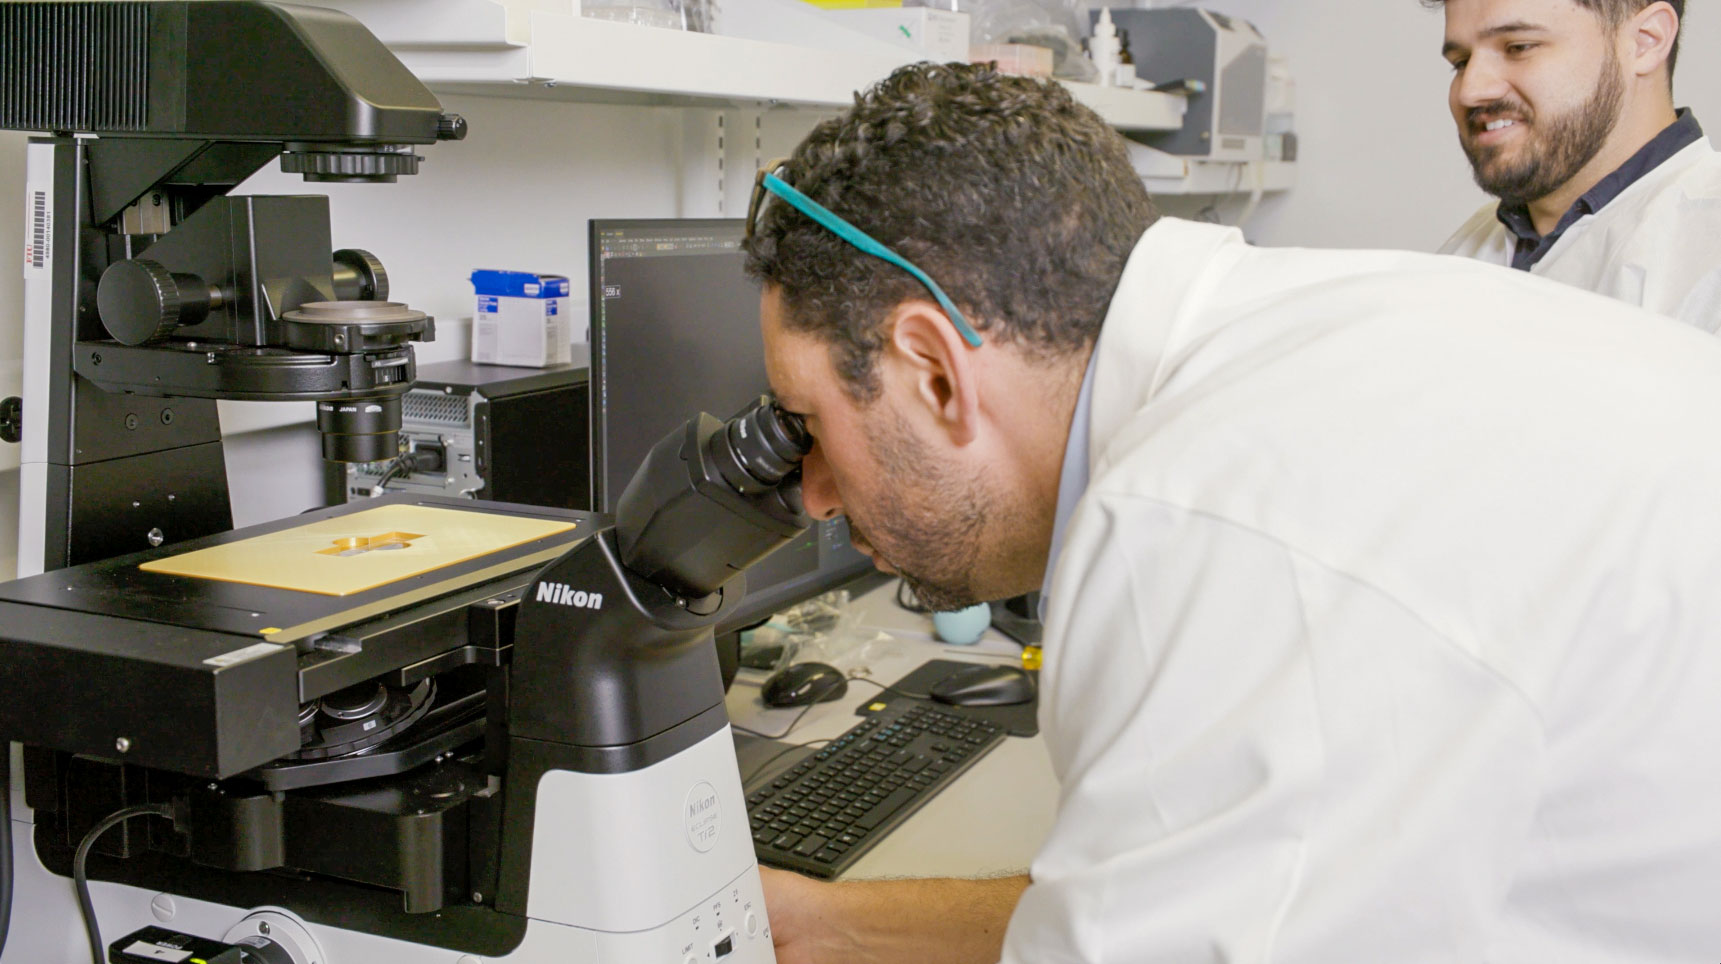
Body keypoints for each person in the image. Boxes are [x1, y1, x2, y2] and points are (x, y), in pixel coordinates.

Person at [742, 61, 1721, 963]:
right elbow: (1188, 908)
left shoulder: (1190, 516)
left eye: (810, 422)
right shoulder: (1298, 333)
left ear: (932, 371)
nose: (815, 492)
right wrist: (831, 927)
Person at [1435, 0, 1721, 331]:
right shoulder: (1460, 256)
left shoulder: (1708, 251)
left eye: (1518, 47)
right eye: (1461, 62)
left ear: (1646, 40)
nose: (1470, 91)